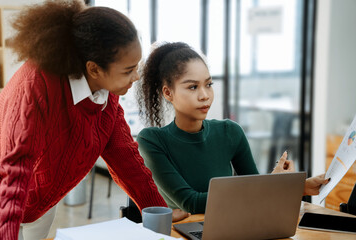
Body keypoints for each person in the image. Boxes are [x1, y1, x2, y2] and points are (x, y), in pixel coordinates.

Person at [0, 1, 168, 239]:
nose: (136, 77)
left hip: (40, 205)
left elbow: (124, 155)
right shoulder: (36, 86)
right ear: (94, 69)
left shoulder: (107, 93)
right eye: (128, 70)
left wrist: (159, 210)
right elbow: (14, 174)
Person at [136, 42, 330, 216]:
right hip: (183, 232)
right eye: (193, 87)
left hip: (231, 224)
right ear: (168, 93)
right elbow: (191, 203)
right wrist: (269, 185)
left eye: (208, 84)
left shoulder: (230, 132)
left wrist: (297, 187)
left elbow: (254, 190)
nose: (205, 96)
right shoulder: (152, 140)